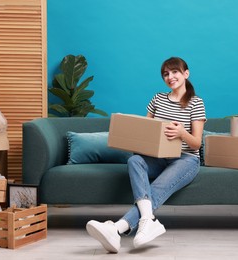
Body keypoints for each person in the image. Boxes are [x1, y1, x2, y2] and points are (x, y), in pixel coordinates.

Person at [86, 57, 206, 253]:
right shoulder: (157, 99)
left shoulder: (196, 102)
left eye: (175, 72)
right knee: (134, 160)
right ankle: (148, 220)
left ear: (186, 73)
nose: (170, 77)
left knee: (156, 189)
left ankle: (116, 228)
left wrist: (182, 133)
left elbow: (197, 143)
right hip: (157, 157)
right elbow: (145, 130)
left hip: (186, 159)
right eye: (166, 74)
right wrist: (127, 127)